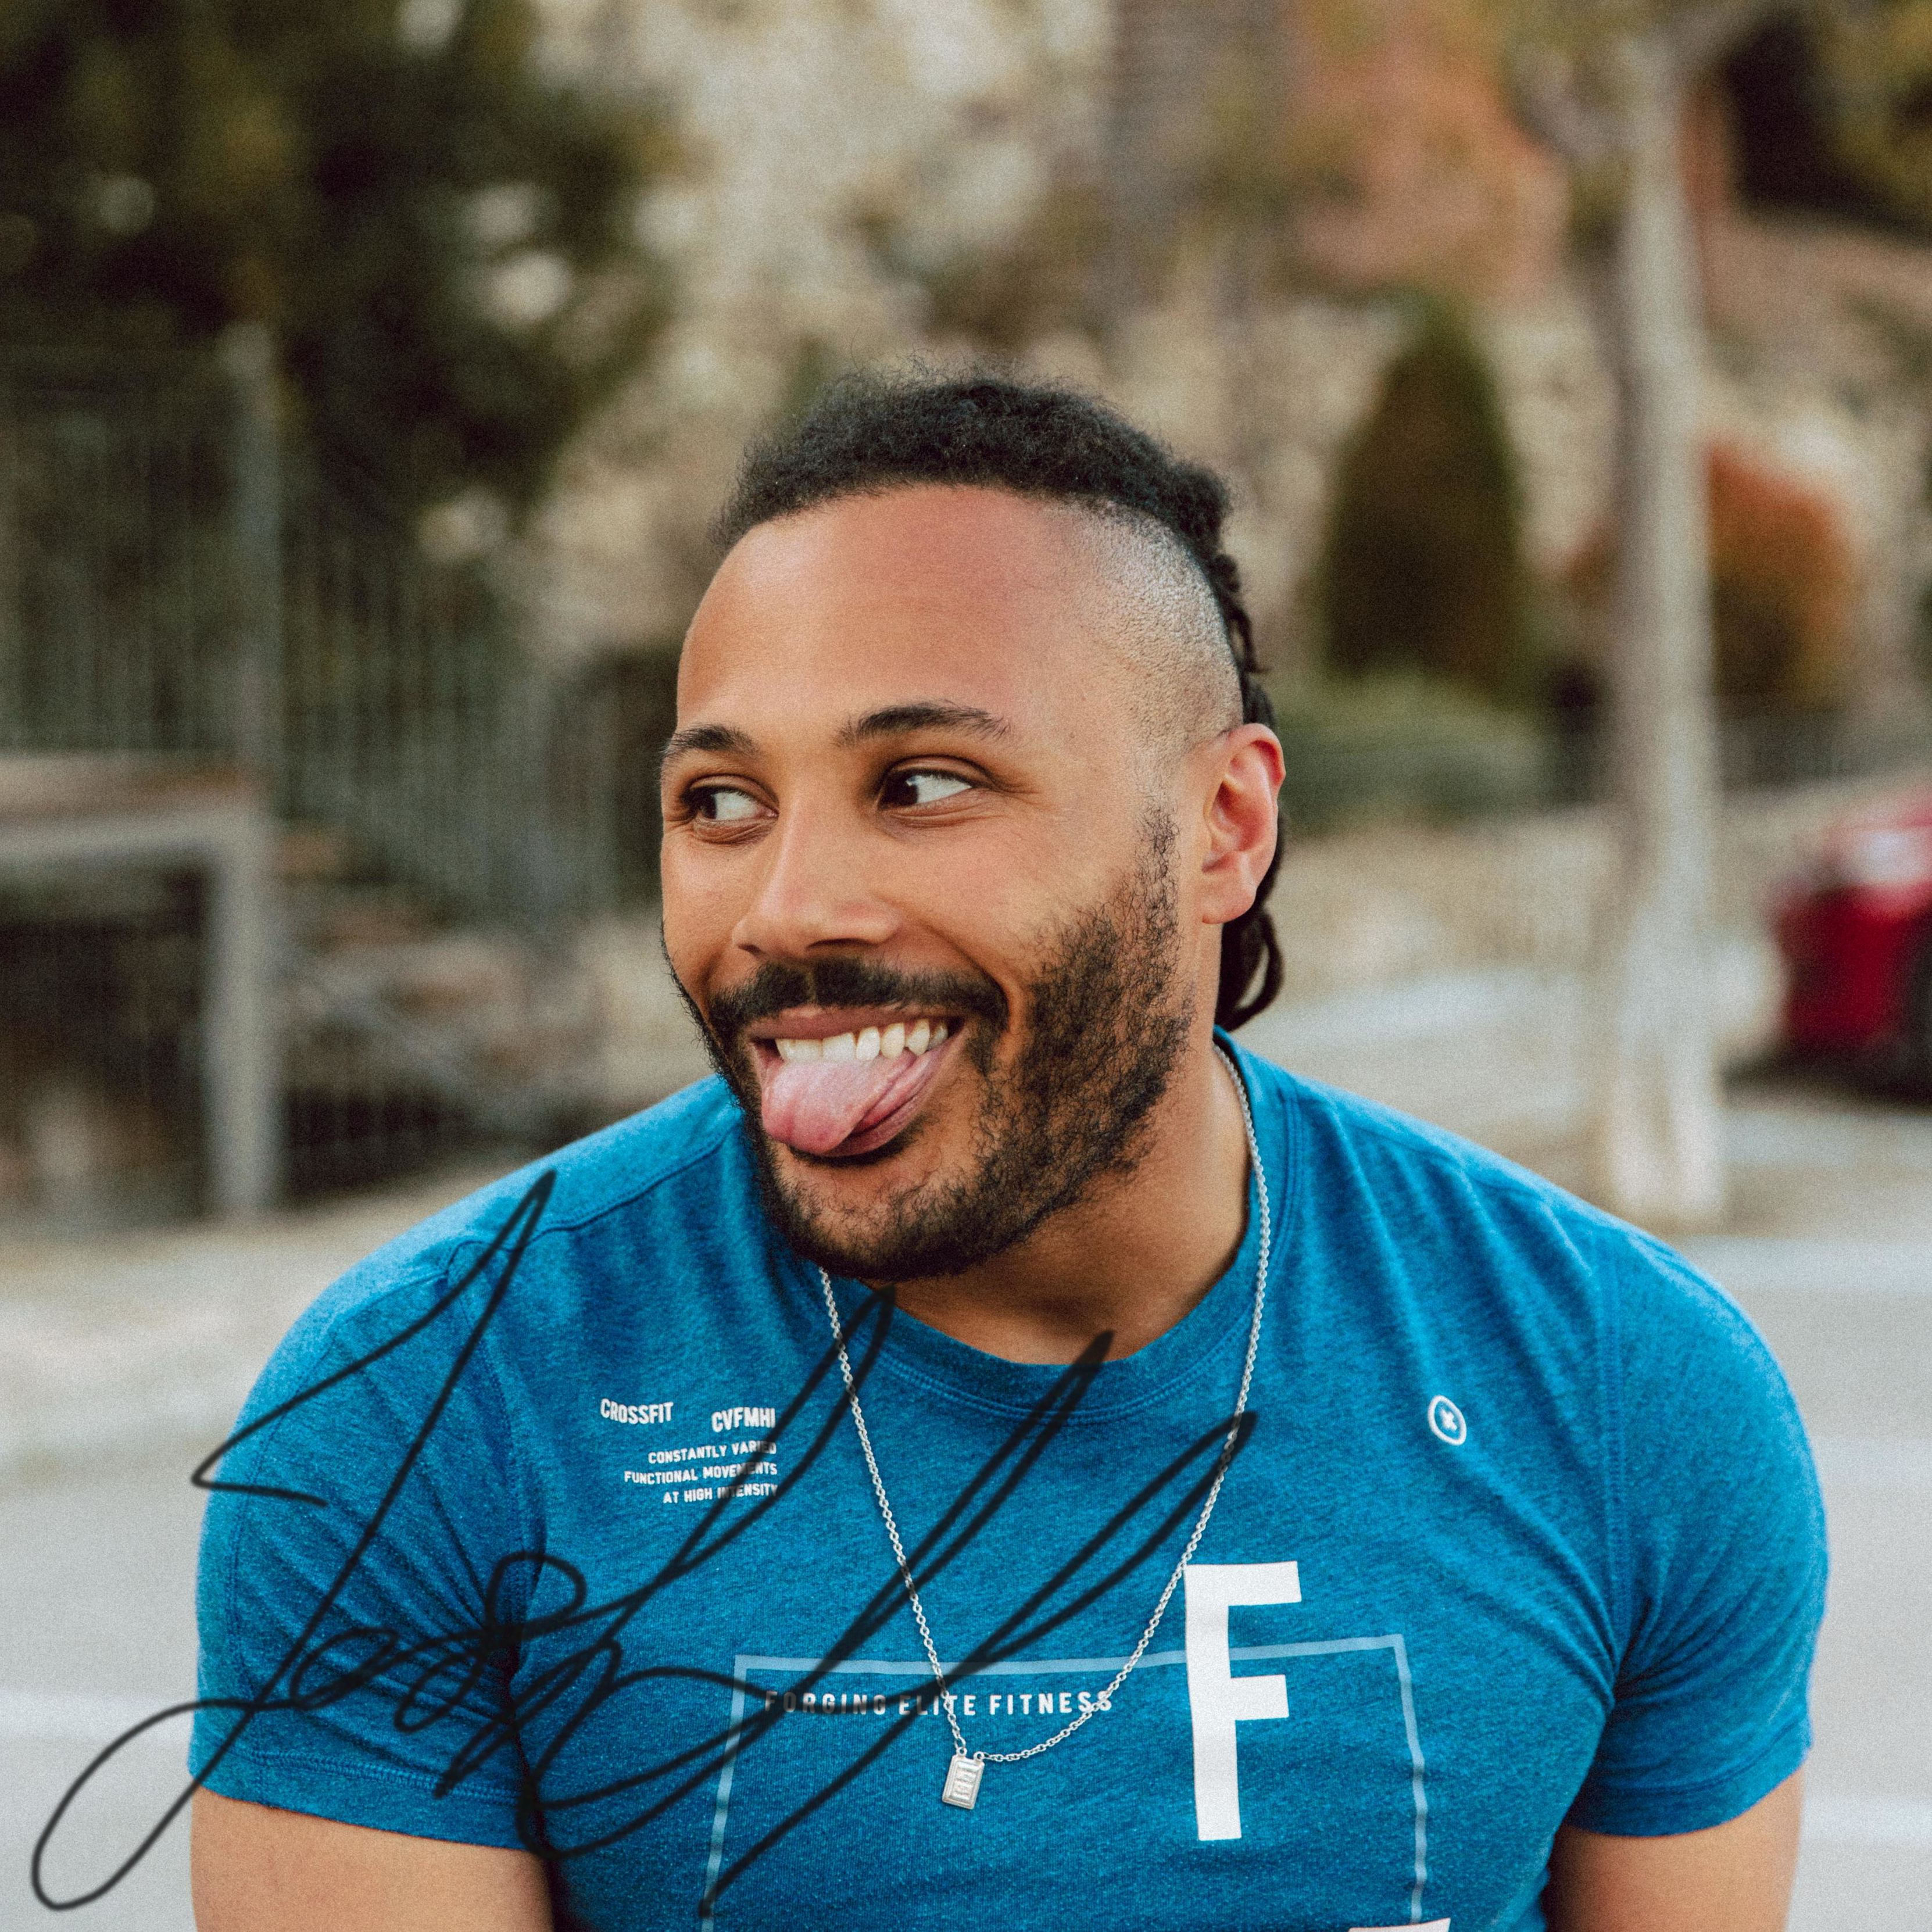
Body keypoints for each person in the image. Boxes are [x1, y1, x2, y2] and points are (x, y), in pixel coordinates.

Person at [189, 373, 1824, 1932]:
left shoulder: (1625, 1385)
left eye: (921, 783)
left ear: (1224, 829)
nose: (784, 908)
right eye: (720, 803)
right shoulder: (415, 1412)